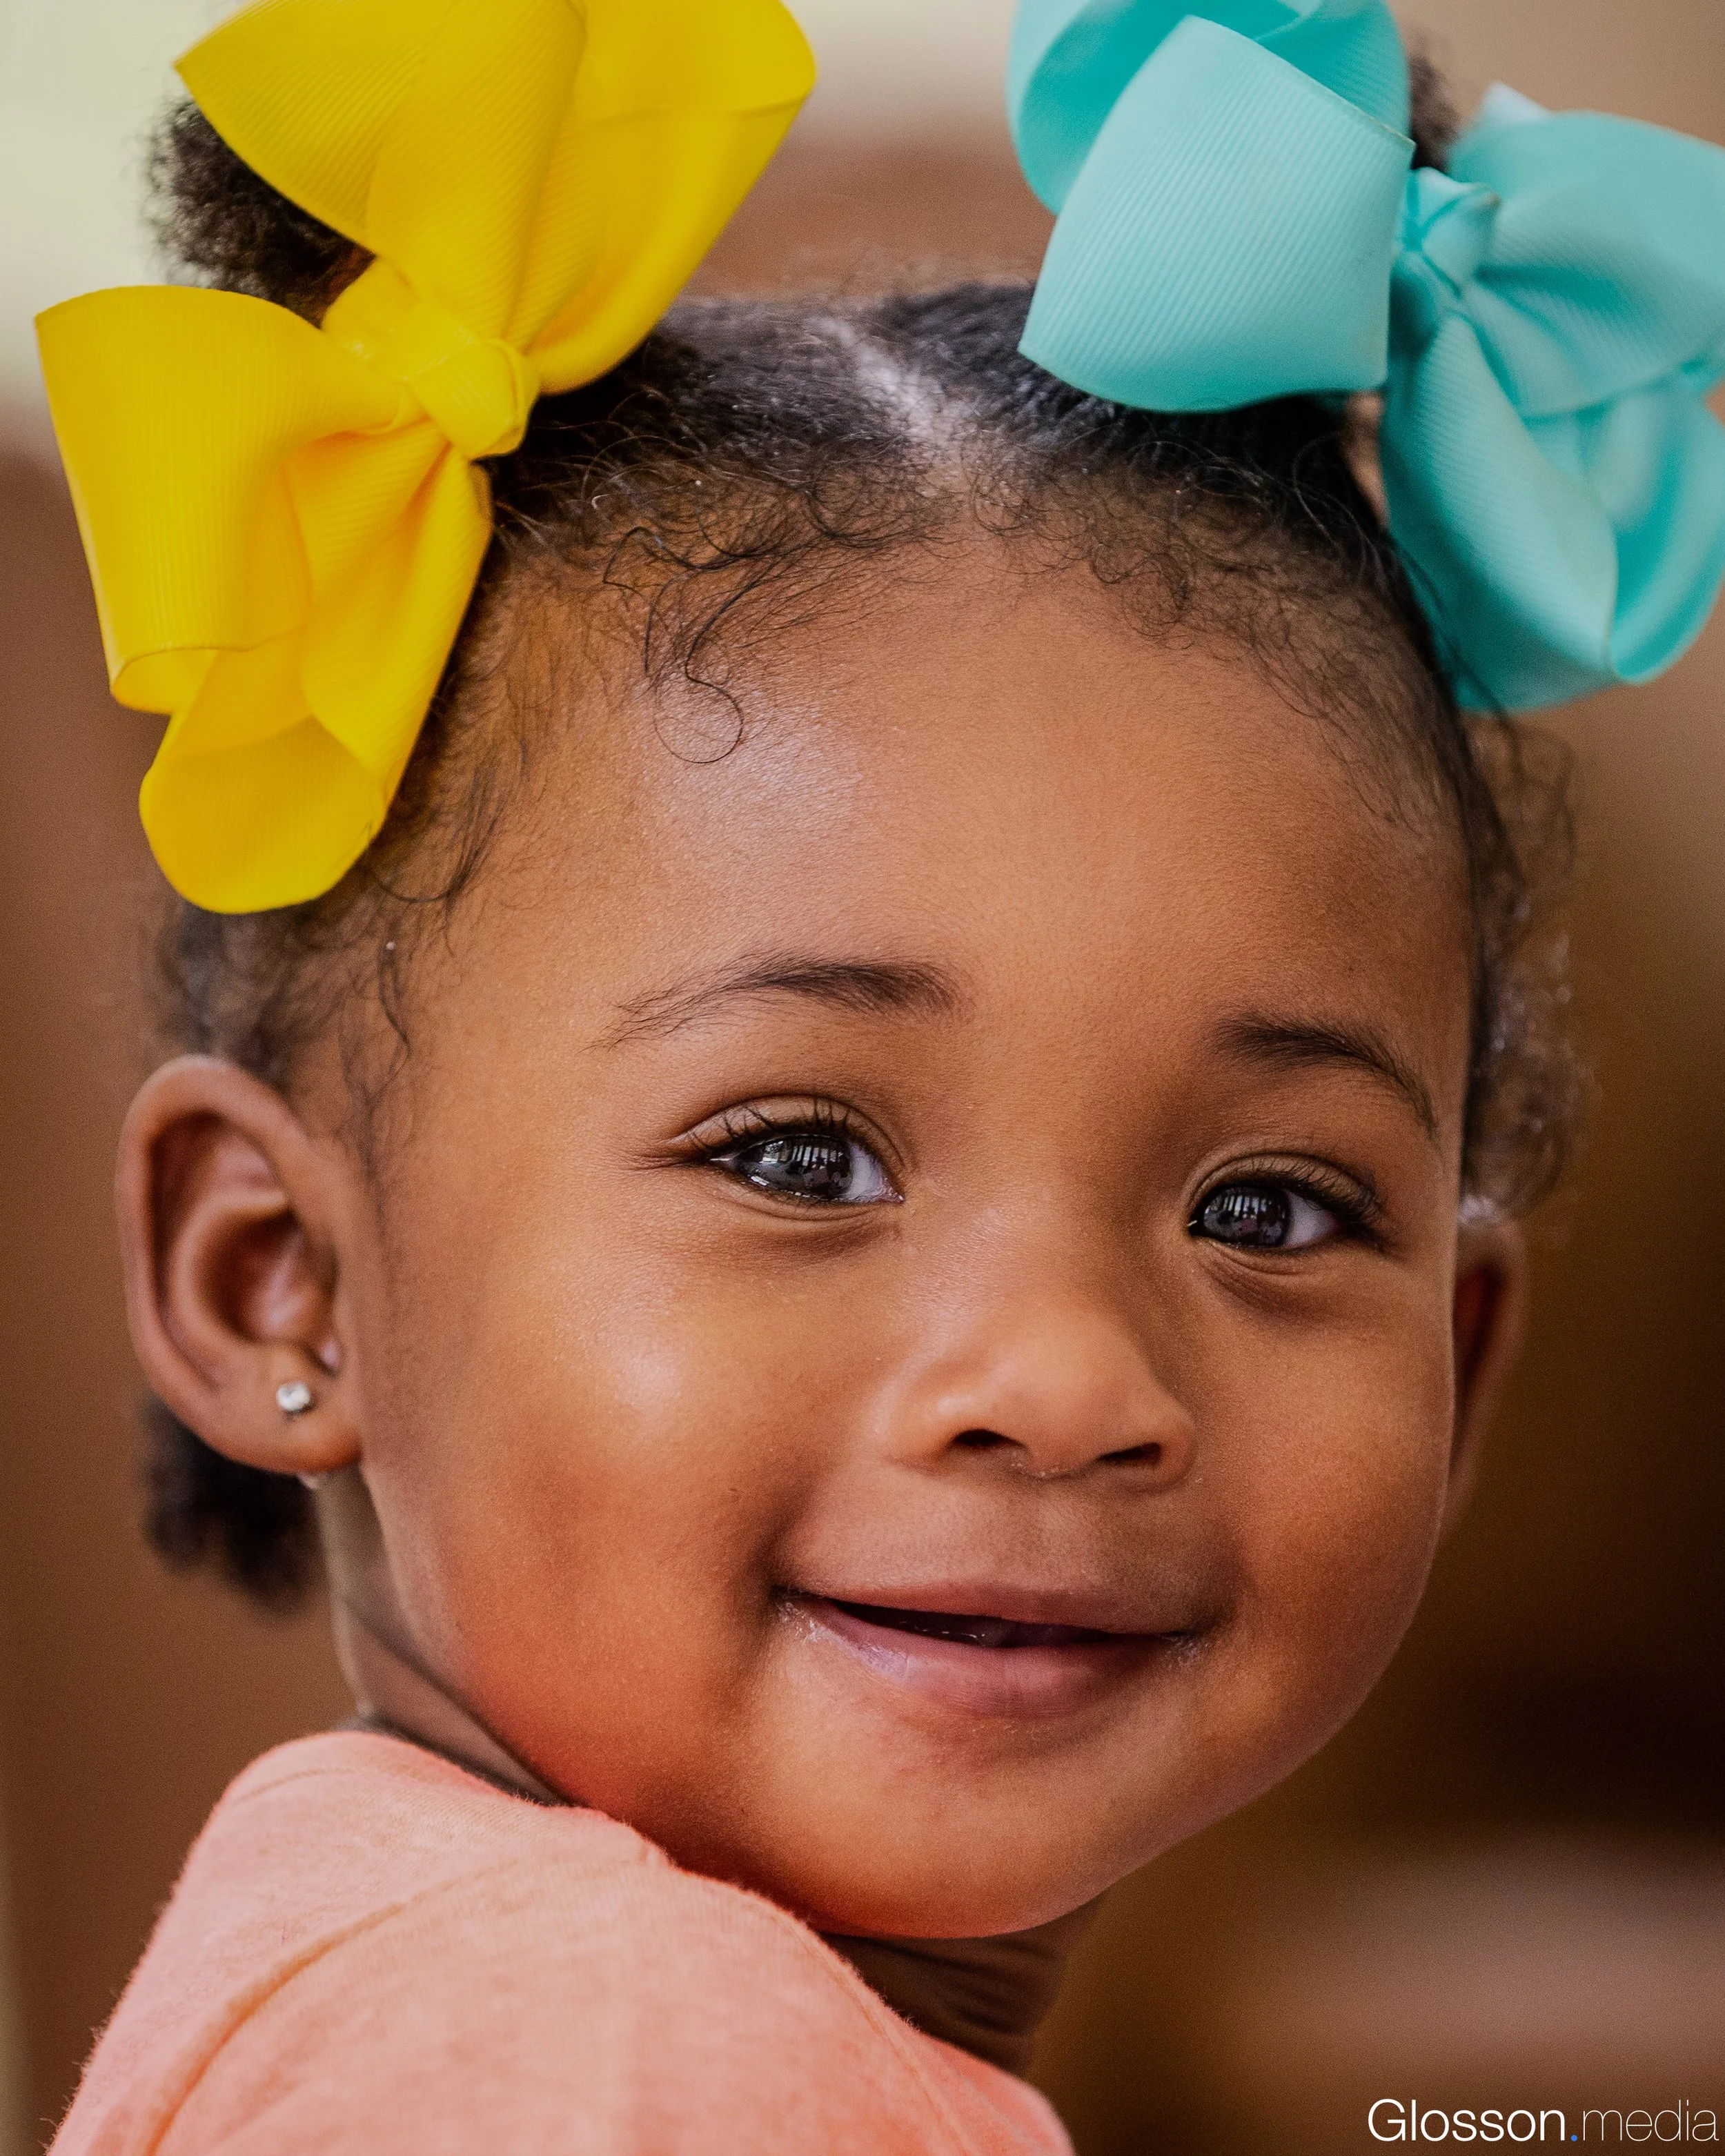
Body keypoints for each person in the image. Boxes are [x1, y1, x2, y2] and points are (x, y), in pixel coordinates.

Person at [34, 0, 1725, 2148]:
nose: (1061, 1373)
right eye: (801, 1155)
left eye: (1269, 1208)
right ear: (274, 1272)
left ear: (1460, 1361)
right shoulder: (613, 2045)